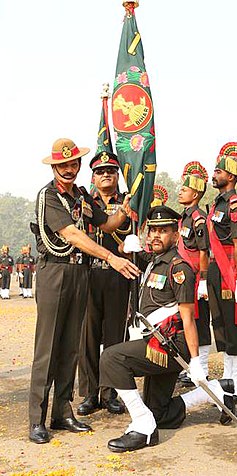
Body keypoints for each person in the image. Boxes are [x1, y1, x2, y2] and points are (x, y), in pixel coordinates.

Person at [28, 138, 140, 445]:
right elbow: (72, 233)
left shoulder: (81, 196)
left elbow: (105, 224)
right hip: (55, 272)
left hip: (80, 273)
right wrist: (111, 258)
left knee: (70, 347)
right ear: (54, 167)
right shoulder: (48, 196)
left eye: (73, 164)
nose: (68, 169)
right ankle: (36, 418)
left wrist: (127, 208)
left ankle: (61, 412)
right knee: (48, 348)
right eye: (62, 165)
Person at [99, 205, 235, 453]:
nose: (155, 236)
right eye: (152, 231)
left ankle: (143, 427)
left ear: (176, 234)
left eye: (163, 231)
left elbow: (188, 318)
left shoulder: (178, 268)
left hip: (171, 345)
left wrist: (195, 361)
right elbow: (129, 253)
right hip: (157, 340)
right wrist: (123, 246)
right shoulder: (154, 262)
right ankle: (218, 391)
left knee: (111, 358)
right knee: (161, 414)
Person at [77, 151, 131, 417]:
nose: (106, 174)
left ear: (118, 175)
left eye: (111, 170)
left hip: (118, 277)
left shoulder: (129, 202)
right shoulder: (85, 201)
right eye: (100, 171)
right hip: (90, 274)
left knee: (114, 337)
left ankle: (110, 392)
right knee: (87, 336)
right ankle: (89, 394)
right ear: (93, 177)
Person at [206, 142, 237, 407]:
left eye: (218, 171)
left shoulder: (236, 206)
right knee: (220, 327)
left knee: (235, 328)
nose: (214, 174)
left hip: (231, 271)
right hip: (214, 269)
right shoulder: (216, 204)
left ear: (230, 176)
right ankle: (227, 382)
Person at [177, 162, 212, 386]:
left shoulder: (198, 218)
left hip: (196, 277)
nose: (180, 190)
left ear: (196, 193)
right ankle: (192, 365)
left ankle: (203, 367)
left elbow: (203, 251)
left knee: (199, 321)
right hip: (185, 275)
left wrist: (203, 281)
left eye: (185, 188)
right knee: (187, 321)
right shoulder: (186, 216)